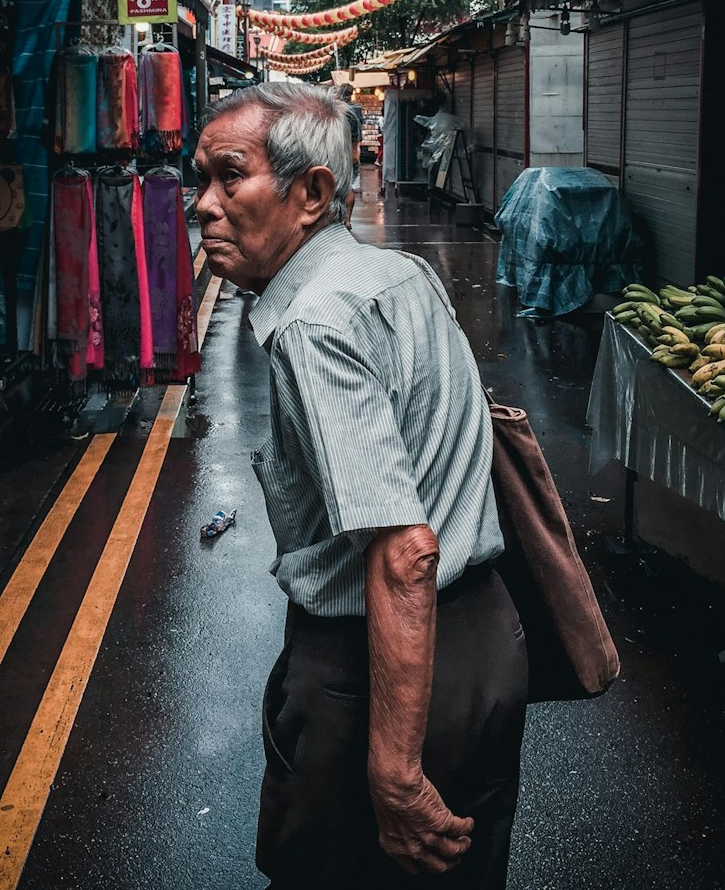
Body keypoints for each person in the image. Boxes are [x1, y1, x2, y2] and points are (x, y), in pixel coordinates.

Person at [194, 82, 527, 889]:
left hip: (380, 668)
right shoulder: (399, 273)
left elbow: (404, 551)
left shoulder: (315, 323)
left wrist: (395, 771)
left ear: (311, 193)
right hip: (483, 647)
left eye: (228, 176)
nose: (203, 206)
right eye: (200, 178)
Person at [338, 82, 364, 226]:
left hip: (340, 152)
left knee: (339, 186)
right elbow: (359, 135)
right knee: (350, 187)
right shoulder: (358, 110)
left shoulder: (339, 109)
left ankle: (339, 217)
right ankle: (348, 219)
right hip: (354, 152)